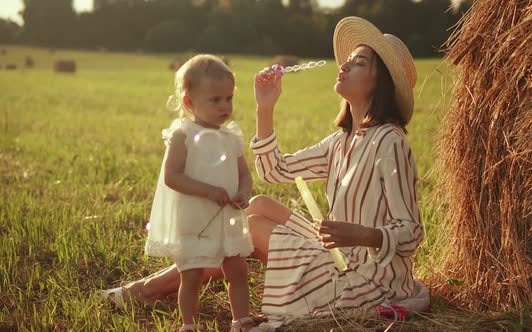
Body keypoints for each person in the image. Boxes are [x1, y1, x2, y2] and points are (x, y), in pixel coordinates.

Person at [103, 16, 430, 329]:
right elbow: (275, 170)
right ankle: (151, 288)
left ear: (381, 82)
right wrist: (265, 107)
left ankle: (146, 290)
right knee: (257, 204)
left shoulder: (389, 142)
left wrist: (362, 234)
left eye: (359, 63)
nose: (343, 64)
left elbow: (412, 232)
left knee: (250, 226)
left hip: (369, 279)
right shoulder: (341, 141)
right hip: (341, 254)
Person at [102, 54, 260, 332]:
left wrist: (244, 192)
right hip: (195, 219)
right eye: (215, 100)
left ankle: (242, 320)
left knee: (238, 270)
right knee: (192, 276)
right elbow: (172, 176)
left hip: (228, 217)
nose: (225, 106)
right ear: (189, 102)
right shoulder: (183, 134)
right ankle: (189, 324)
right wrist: (210, 191)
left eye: (229, 98)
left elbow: (244, 175)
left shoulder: (231, 136)